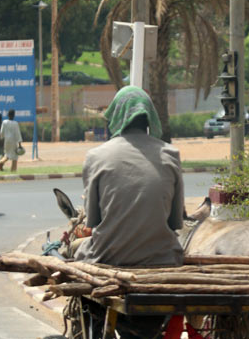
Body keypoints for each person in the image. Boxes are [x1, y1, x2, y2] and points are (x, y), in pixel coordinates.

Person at [75, 85, 184, 268]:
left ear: (117, 116)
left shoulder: (96, 156)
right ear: (149, 118)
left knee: (74, 249)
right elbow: (174, 221)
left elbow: (93, 220)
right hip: (163, 259)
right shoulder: (171, 154)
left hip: (107, 257)